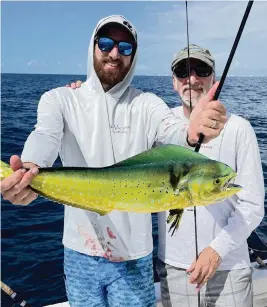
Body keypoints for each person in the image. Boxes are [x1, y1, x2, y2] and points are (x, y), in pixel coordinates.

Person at [0, 16, 227, 307]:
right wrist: (29, 166)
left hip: (135, 257)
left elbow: (175, 133)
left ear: (134, 55)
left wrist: (193, 132)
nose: (114, 53)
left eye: (125, 47)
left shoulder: (147, 104)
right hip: (79, 252)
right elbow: (45, 135)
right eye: (105, 43)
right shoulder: (59, 99)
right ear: (92, 46)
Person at [156, 44, 265, 307]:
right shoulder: (158, 124)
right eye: (182, 71)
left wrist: (216, 251)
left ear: (213, 79)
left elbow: (252, 205)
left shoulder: (239, 128)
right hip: (174, 268)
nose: (191, 79)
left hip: (229, 267)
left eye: (201, 70)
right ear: (173, 81)